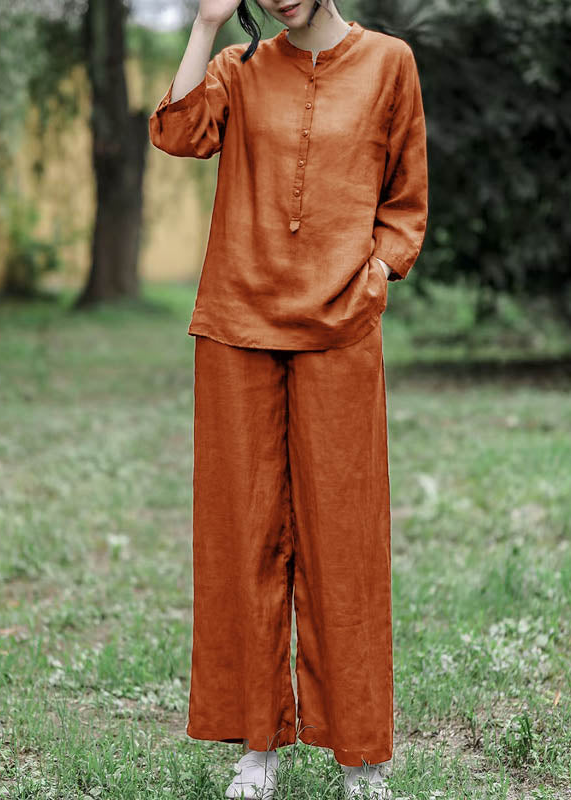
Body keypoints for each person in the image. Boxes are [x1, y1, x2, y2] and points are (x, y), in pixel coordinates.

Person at [149, 0, 428, 796]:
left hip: (341, 328)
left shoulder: (389, 63)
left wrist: (378, 272)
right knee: (243, 541)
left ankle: (362, 755)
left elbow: (406, 200)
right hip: (237, 326)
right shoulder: (238, 70)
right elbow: (176, 131)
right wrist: (204, 25)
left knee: (347, 545)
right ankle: (258, 745)